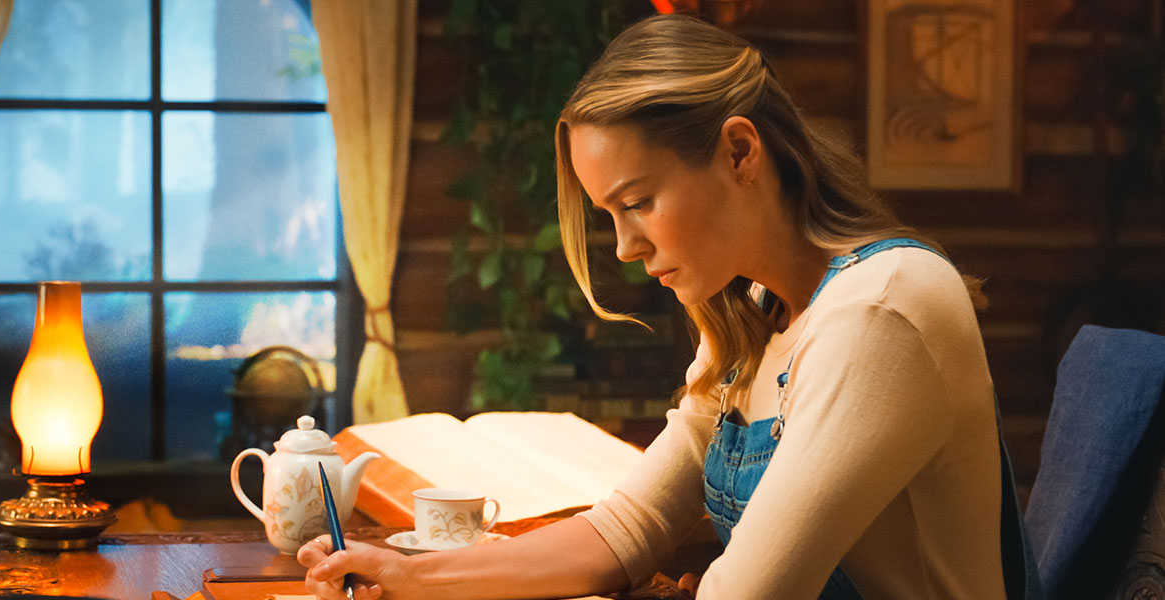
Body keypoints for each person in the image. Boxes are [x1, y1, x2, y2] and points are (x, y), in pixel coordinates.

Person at [300, 13, 1035, 599]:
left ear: (740, 152)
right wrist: (410, 576)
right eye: (610, 215)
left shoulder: (883, 309)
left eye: (639, 203)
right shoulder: (751, 315)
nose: (623, 247)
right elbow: (628, 527)